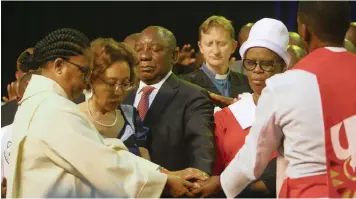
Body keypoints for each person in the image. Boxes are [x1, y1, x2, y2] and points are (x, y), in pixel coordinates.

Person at [6, 28, 198, 198]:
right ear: (59, 65)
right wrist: (164, 183)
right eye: (84, 72)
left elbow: (103, 150)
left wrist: (163, 173)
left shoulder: (38, 102)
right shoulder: (53, 108)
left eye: (124, 83)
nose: (85, 81)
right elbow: (104, 165)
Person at [194, 1, 356, 198]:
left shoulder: (284, 86)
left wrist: (220, 182)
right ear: (347, 26)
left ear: (303, 30)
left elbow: (253, 158)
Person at [194, 18, 289, 198]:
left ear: (283, 66)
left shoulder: (296, 113)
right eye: (251, 63)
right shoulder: (227, 116)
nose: (257, 71)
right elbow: (215, 172)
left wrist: (225, 184)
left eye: (266, 64)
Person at [124, 26, 215, 175]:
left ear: (174, 55)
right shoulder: (121, 93)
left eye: (155, 49)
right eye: (138, 49)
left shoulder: (193, 97)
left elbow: (201, 152)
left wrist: (198, 184)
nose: (144, 56)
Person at [77, 38, 151, 160]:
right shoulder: (74, 116)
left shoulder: (131, 116)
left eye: (125, 84)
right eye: (111, 83)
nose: (119, 91)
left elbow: (146, 162)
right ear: (91, 79)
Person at [181, 16, 252, 108]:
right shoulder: (185, 84)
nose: (215, 51)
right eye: (209, 44)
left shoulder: (247, 83)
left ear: (233, 46)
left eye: (222, 44)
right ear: (201, 47)